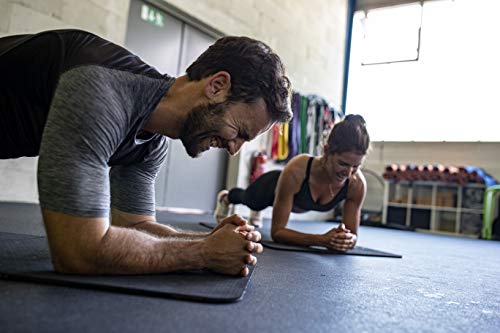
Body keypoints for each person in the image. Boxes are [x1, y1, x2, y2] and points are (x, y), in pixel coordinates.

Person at [0, 29, 293, 275]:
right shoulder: (100, 89)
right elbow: (77, 251)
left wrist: (212, 239)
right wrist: (203, 252)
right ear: (217, 86)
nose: (233, 149)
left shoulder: (152, 142)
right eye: (239, 132)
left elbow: (136, 224)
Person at [214, 115, 369, 251]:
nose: (348, 173)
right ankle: (227, 197)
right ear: (327, 150)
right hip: (270, 187)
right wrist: (322, 240)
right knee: (249, 200)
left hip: (295, 202)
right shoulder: (297, 169)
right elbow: (278, 232)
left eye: (356, 166)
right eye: (343, 164)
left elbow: (352, 234)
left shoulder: (356, 184)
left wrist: (347, 239)